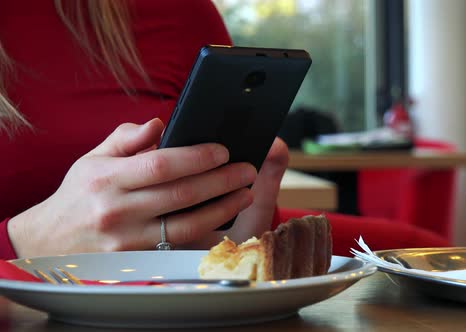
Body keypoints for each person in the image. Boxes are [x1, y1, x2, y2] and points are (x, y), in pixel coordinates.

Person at [0, 0, 289, 259]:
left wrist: (226, 249)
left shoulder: (181, 11)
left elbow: (231, 241)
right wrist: (27, 242)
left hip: (168, 309)